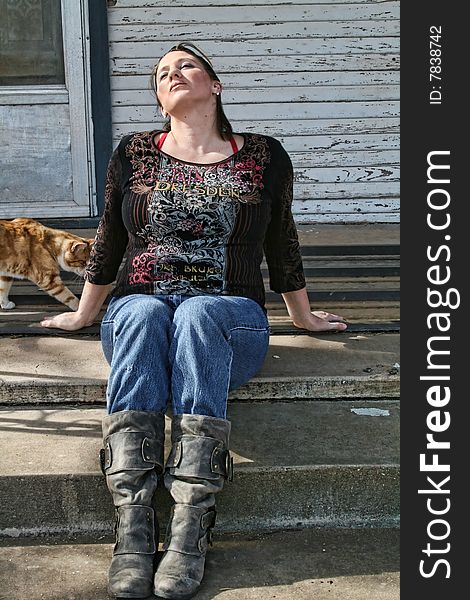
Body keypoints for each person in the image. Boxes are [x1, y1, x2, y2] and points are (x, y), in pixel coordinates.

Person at [41, 42, 347, 600]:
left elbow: (282, 241)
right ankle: (133, 530)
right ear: (161, 101)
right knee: (142, 310)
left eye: (186, 65)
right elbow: (110, 238)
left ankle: (189, 527)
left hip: (230, 323)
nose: (173, 74)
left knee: (200, 312)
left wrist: (302, 318)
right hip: (143, 319)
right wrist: (85, 313)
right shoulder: (135, 152)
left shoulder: (263, 155)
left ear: (216, 86)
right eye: (162, 74)